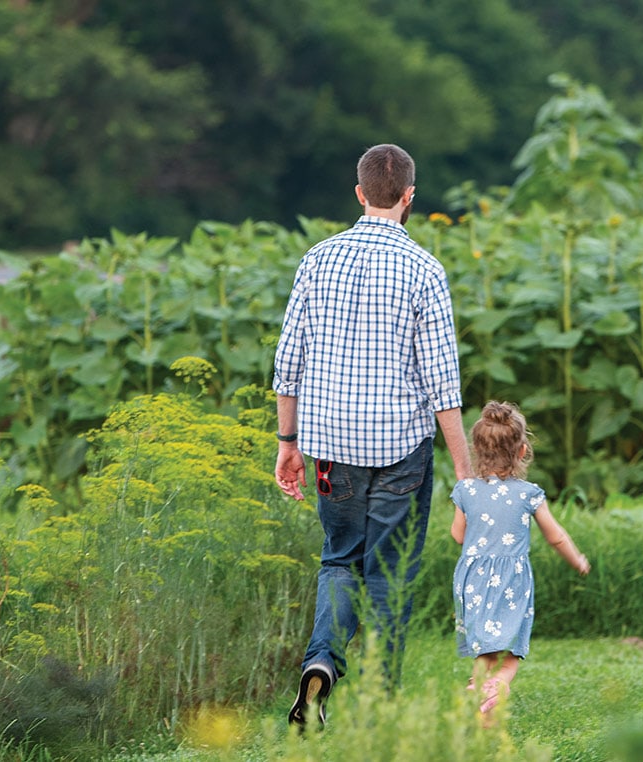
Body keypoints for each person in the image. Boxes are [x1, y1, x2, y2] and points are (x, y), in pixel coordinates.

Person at [273, 143, 472, 730]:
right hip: (400, 452)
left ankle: (321, 666)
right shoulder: (424, 269)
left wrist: (288, 443)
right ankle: (382, 700)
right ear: (410, 196)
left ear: (359, 193)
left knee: (339, 562)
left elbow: (288, 362)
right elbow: (443, 383)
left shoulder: (317, 259)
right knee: (390, 574)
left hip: (331, 447)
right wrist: (464, 470)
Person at [450, 401, 590, 719]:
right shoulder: (528, 493)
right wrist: (578, 560)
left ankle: (479, 692)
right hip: (511, 581)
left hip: (471, 580)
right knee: (510, 652)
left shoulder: (465, 490)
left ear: (476, 451)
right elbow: (556, 536)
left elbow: (458, 535)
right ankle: (497, 688)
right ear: (523, 451)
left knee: (485, 650)